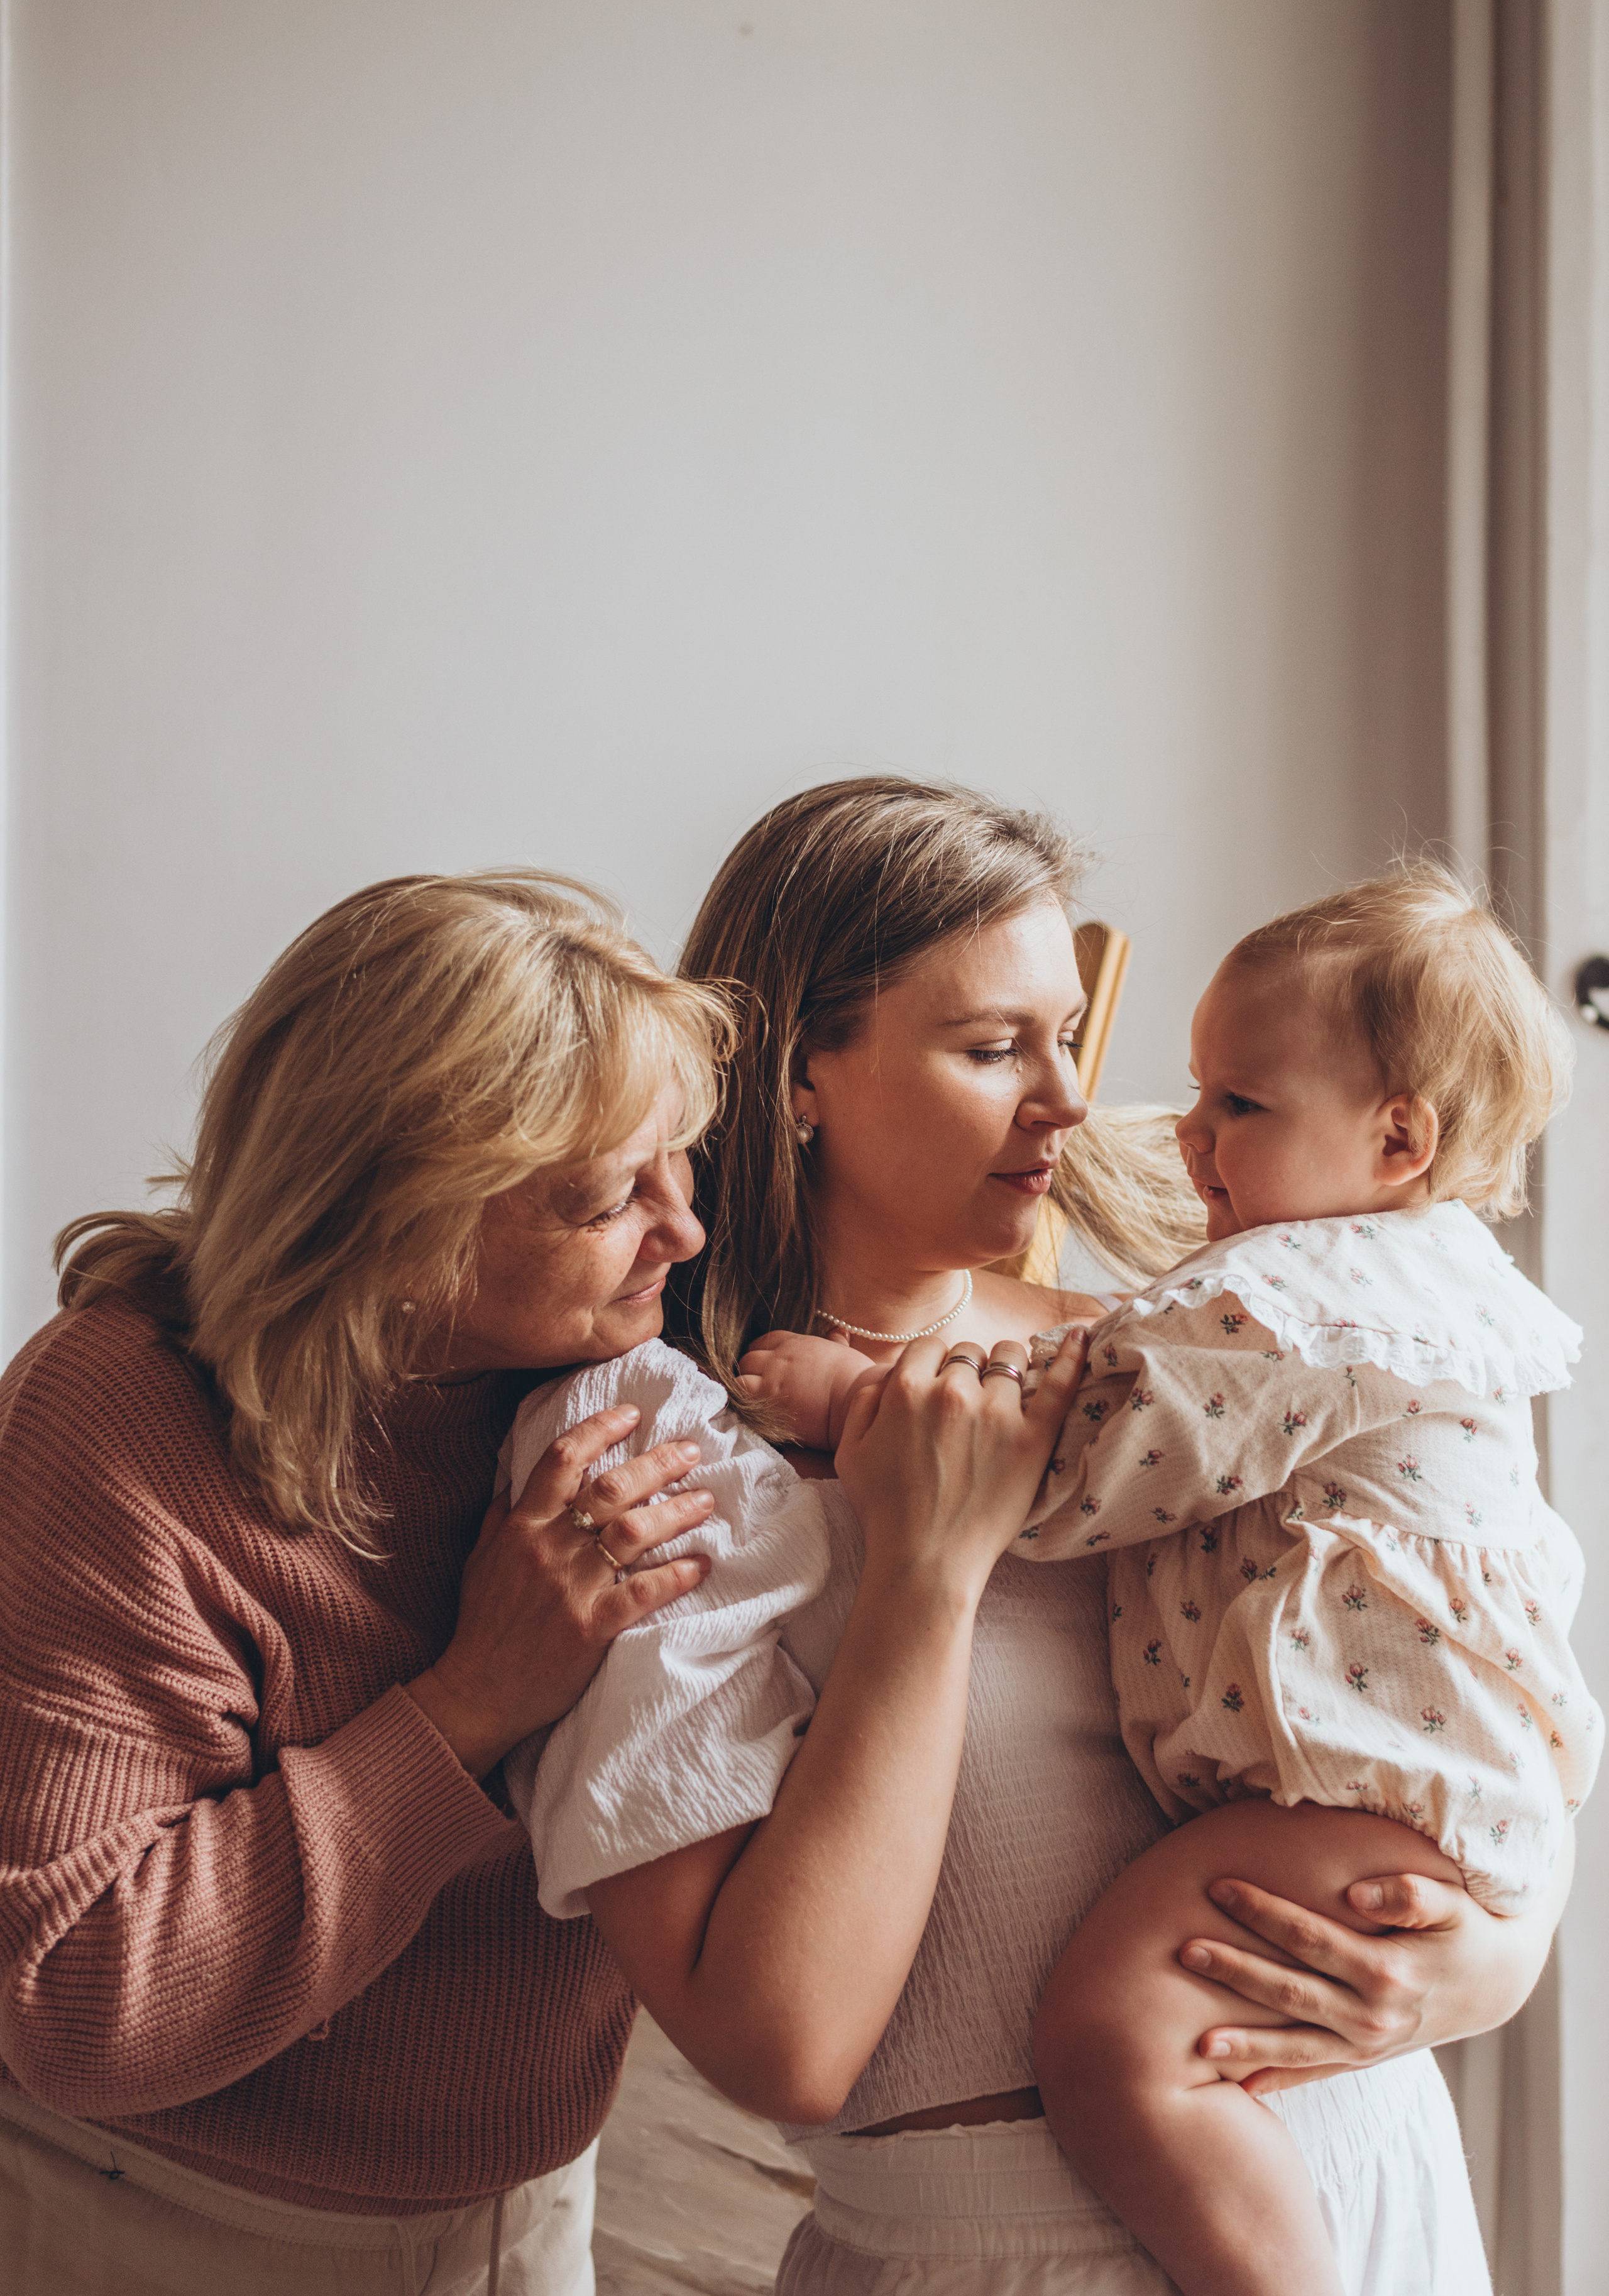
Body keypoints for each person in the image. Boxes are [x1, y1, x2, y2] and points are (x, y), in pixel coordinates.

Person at [508, 778, 1569, 2295]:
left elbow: (1441, 1663)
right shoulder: (657, 1445)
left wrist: (1480, 1962)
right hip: (991, 2249)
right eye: (993, 1046)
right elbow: (783, 2048)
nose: (1068, 1101)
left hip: (1362, 2182)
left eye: (1065, 1036)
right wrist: (926, 1572)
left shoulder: (1172, 1368)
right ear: (798, 1068)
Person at [0, 871, 758, 2293]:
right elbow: (76, 1999)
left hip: (526, 2208)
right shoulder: (116, 1419)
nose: (684, 1231)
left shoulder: (614, 1378)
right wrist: (467, 1703)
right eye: (609, 1198)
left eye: (684, 1165)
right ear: (404, 1224)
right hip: (165, 2214)